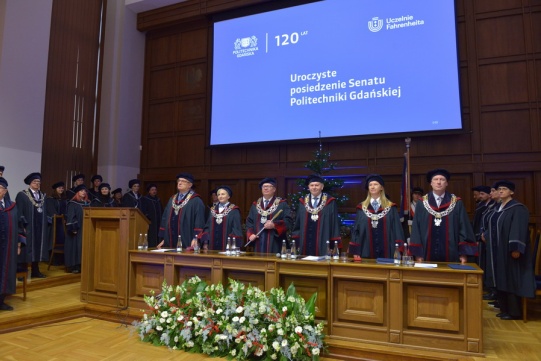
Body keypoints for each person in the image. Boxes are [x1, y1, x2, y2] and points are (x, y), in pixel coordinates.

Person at [483, 180, 535, 320]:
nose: (500, 191)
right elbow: (492, 225)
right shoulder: (498, 208)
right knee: (500, 277)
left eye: (504, 189)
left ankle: (514, 312)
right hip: (497, 250)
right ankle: (504, 308)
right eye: (499, 189)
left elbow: (517, 230)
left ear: (511, 192)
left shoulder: (518, 208)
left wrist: (515, 247)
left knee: (510, 278)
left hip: (510, 251)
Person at [409, 169, 477, 262]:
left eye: (442, 179)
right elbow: (416, 229)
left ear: (447, 183)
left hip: (452, 252)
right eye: (435, 179)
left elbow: (463, 228)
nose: (439, 182)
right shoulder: (422, 203)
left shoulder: (456, 203)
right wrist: (417, 253)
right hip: (426, 252)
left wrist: (463, 253)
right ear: (431, 183)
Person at [349, 174, 405, 259]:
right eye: (370, 185)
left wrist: (399, 249)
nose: (372, 187)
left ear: (381, 187)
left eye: (375, 184)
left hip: (388, 252)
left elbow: (397, 229)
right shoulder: (361, 208)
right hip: (366, 251)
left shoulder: (390, 207)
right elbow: (357, 230)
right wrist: (356, 250)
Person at [291, 175, 341, 256]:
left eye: (317, 185)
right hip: (305, 243)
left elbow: (334, 224)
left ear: (322, 187)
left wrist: (333, 245)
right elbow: (298, 223)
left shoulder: (330, 202)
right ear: (308, 187)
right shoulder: (302, 202)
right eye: (312, 185)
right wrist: (297, 242)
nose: (314, 187)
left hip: (324, 242)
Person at [158, 173, 205, 249]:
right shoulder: (172, 199)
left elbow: (199, 221)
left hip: (187, 239)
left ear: (190, 185)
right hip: (169, 240)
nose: (179, 183)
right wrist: (164, 238)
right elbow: (165, 218)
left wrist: (196, 238)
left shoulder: (196, 200)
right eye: (179, 181)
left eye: (183, 181)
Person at [246, 178, 292, 254]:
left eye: (268, 186)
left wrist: (274, 225)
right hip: (258, 242)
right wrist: (250, 234)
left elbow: (288, 221)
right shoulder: (255, 205)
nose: (266, 188)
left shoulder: (282, 204)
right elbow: (249, 222)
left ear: (274, 189)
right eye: (264, 187)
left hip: (275, 242)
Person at [16, 172, 48, 278]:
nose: (37, 184)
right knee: (26, 248)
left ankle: (35, 270)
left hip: (40, 227)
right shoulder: (22, 195)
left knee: (38, 247)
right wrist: (22, 226)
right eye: (35, 182)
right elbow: (19, 212)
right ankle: (21, 272)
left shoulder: (42, 196)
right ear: (30, 183)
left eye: (39, 182)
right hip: (27, 227)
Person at [0, 177, 25, 311]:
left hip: (9, 246)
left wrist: (19, 245)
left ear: (5, 190)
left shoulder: (12, 207)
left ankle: (1, 301)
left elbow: (20, 227)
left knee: (7, 271)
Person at [199, 186, 243, 251]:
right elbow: (207, 227)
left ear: (228, 196)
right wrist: (206, 243)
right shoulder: (212, 210)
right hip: (212, 245)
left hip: (228, 246)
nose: (220, 196)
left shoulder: (234, 210)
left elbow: (236, 229)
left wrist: (233, 245)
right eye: (218, 194)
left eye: (223, 194)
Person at [480, 184, 501, 302]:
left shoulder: (499, 207)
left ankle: (496, 292)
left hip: (496, 241)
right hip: (489, 239)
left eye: (494, 191)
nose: (492, 193)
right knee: (490, 265)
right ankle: (493, 290)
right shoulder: (494, 206)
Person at [65, 184, 90, 273]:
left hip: (86, 228)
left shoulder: (88, 203)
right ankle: (74, 266)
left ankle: (83, 264)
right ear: (77, 193)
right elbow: (71, 217)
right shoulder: (73, 203)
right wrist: (73, 228)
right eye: (81, 191)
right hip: (76, 229)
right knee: (76, 246)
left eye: (85, 191)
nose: (83, 192)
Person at [45, 181, 68, 266]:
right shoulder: (50, 199)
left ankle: (61, 259)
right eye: (59, 188)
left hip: (63, 224)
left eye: (62, 188)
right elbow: (51, 212)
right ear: (55, 189)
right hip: (54, 224)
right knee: (53, 240)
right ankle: (53, 259)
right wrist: (60, 217)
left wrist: (65, 218)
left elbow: (66, 211)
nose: (61, 189)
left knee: (63, 240)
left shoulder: (65, 200)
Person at [141, 183, 163, 248]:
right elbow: (144, 211)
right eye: (152, 190)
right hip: (150, 222)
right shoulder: (145, 199)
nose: (154, 191)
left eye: (155, 190)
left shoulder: (158, 200)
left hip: (158, 222)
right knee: (151, 236)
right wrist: (148, 219)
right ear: (149, 191)